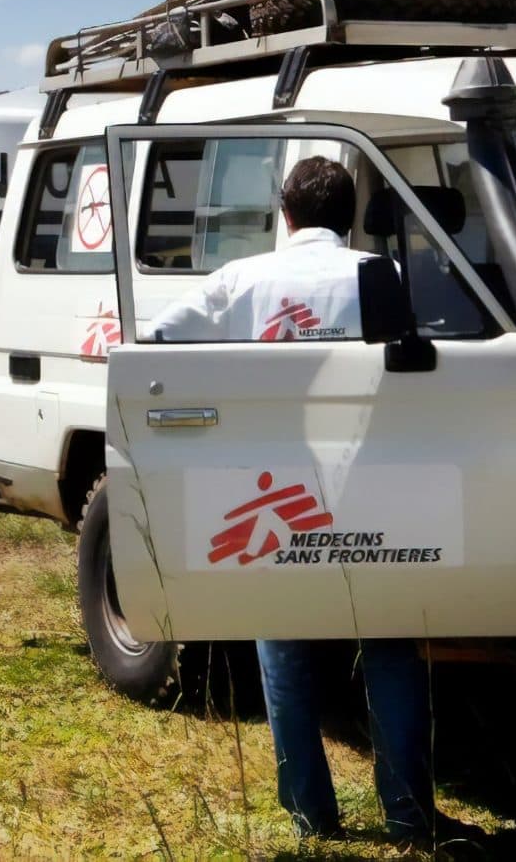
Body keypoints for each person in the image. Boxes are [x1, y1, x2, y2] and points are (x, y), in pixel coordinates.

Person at [146, 155, 458, 849]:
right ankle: (410, 814)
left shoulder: (241, 279)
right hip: (373, 490)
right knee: (390, 648)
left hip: (275, 496)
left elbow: (156, 342)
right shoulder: (384, 276)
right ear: (348, 216)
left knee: (282, 647)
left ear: (284, 216)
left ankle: (312, 812)